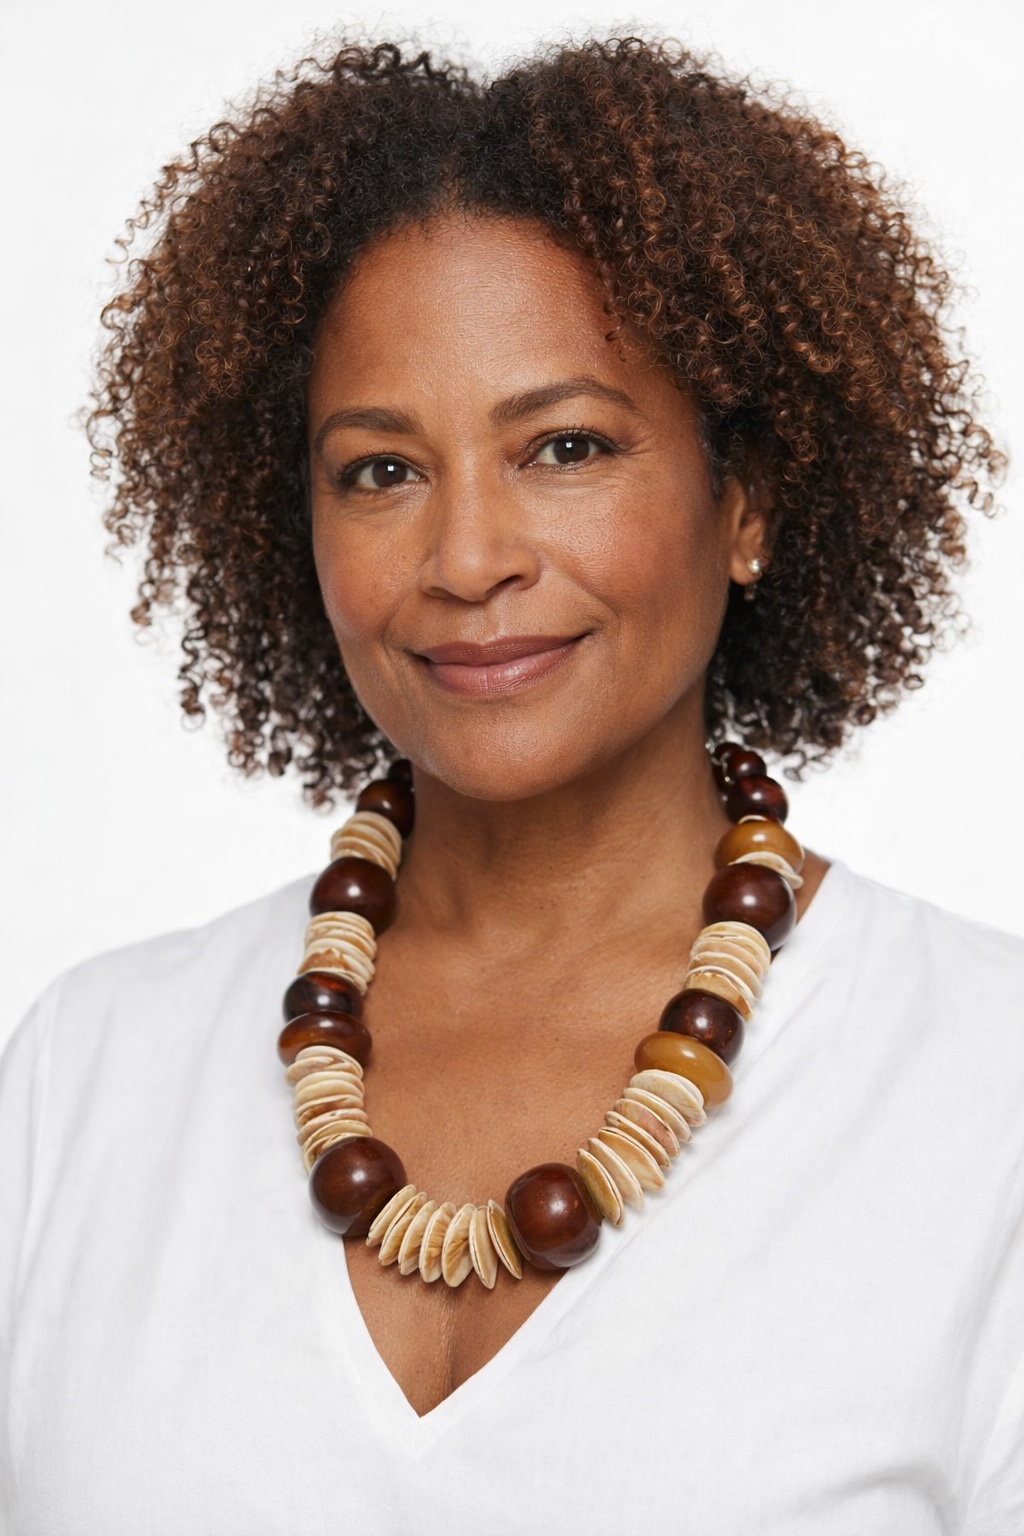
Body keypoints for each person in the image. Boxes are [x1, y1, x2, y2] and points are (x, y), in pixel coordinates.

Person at [1, 33, 1021, 1536]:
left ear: (744, 500)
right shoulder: (86, 1075)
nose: (469, 559)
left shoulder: (988, 1091)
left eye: (564, 446)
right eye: (381, 470)